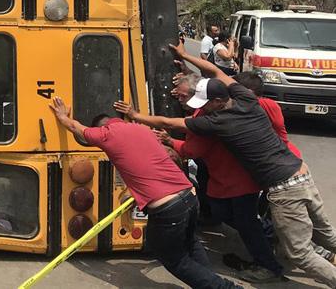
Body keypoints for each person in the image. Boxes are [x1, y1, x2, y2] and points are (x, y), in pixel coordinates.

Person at [115, 42, 336, 287]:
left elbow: (170, 122)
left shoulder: (217, 122)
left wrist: (136, 117)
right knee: (327, 235)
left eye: (205, 103)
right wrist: (186, 55)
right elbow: (216, 72)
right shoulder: (245, 99)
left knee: (300, 253)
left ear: (219, 102)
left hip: (284, 187)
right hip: (301, 174)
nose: (202, 107)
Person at [49, 97, 240, 288]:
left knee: (175, 259)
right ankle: (208, 282)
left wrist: (62, 116)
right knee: (190, 242)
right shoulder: (142, 130)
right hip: (189, 195)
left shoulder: (106, 134)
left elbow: (76, 128)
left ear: (101, 127)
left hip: (168, 208)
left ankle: (224, 287)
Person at [163, 76, 284, 282]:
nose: (180, 99)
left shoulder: (207, 119)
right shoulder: (216, 111)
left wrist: (168, 141)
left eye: (185, 96)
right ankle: (268, 235)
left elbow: (192, 150)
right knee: (229, 214)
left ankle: (269, 263)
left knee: (244, 222)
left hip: (237, 178)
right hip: (230, 176)